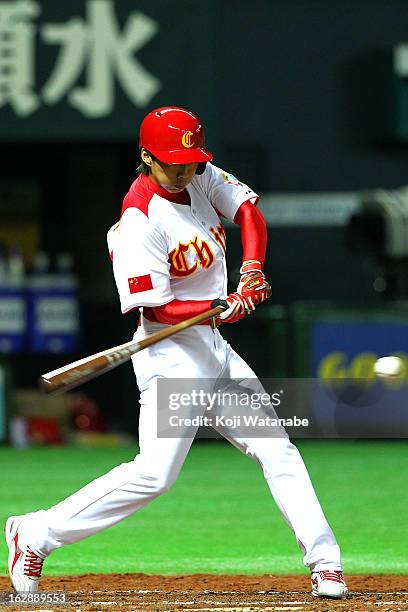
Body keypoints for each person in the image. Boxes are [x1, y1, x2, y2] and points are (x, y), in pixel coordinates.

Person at [6, 106, 347, 599]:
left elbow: (249, 212)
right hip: (171, 357)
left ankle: (326, 563)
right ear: (147, 158)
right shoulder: (139, 220)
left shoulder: (200, 175)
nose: (186, 168)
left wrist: (250, 270)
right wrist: (220, 305)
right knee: (155, 475)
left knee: (278, 449)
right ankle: (33, 533)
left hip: (213, 344)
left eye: (191, 158)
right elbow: (160, 311)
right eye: (174, 161)